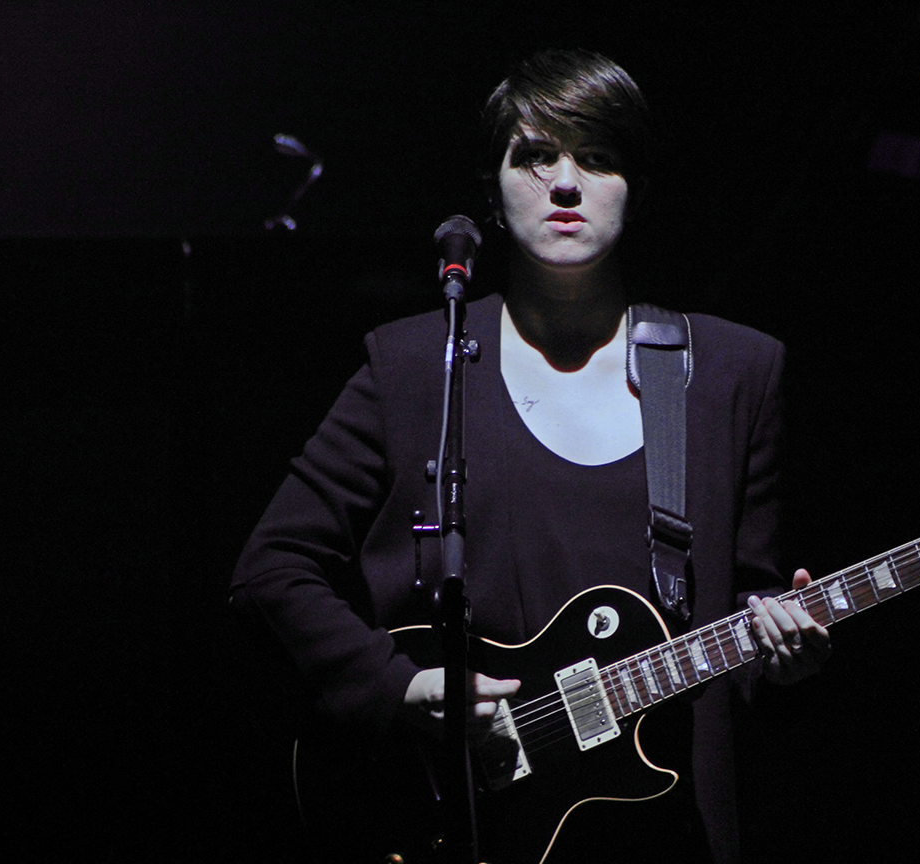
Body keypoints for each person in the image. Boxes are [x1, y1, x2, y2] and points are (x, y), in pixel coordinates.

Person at [231, 49, 830, 863]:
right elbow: (271, 567)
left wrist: (786, 660)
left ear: (638, 188)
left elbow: (743, 623)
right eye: (537, 155)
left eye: (599, 157)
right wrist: (401, 686)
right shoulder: (415, 367)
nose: (566, 184)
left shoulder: (730, 373)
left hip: (664, 835)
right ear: (493, 186)